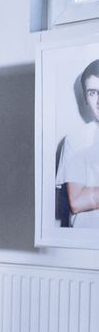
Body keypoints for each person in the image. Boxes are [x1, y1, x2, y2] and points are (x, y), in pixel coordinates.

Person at [59, 59, 99, 228]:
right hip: (85, 239)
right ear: (85, 98)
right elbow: (77, 202)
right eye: (93, 92)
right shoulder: (76, 139)